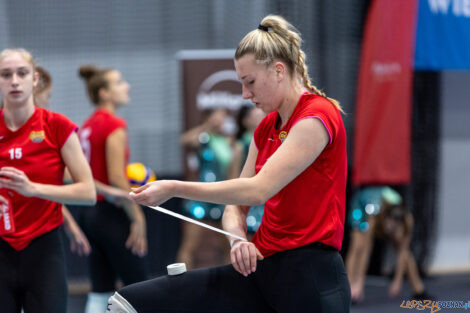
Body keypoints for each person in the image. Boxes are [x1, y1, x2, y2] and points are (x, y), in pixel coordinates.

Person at [108, 15, 350, 313]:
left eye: (250, 83)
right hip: (261, 271)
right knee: (127, 303)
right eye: (241, 83)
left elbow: (256, 190)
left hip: (310, 279)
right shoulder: (265, 129)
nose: (245, 95)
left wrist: (174, 187)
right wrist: (237, 242)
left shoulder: (317, 117)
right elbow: (236, 207)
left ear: (278, 71)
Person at [0, 48, 96, 313]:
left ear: (35, 79)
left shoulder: (57, 126)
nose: (14, 81)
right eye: (5, 75)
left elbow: (88, 192)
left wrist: (33, 189)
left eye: (22, 73)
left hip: (43, 250)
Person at [77, 65, 148, 313]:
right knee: (140, 287)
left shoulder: (87, 125)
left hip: (90, 213)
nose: (126, 86)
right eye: (119, 82)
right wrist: (137, 217)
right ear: (104, 93)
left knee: (101, 288)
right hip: (112, 213)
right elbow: (118, 180)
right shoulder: (113, 125)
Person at [33, 65, 91, 256]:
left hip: (43, 234)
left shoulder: (56, 126)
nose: (48, 102)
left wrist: (70, 224)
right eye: (47, 95)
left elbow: (44, 188)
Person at [346, 186, 429, 303]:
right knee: (357, 245)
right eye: (389, 228)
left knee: (403, 247)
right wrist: (359, 282)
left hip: (384, 206)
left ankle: (418, 288)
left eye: (394, 229)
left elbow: (403, 252)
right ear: (385, 219)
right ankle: (349, 286)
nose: (389, 233)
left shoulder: (408, 220)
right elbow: (366, 250)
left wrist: (397, 281)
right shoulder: (373, 217)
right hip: (361, 205)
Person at [178, 107, 233, 268]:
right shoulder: (202, 138)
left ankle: (232, 282)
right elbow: (184, 140)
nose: (220, 121)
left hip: (221, 197)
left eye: (223, 117)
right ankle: (180, 283)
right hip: (201, 197)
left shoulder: (227, 140)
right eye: (217, 117)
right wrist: (206, 126)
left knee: (228, 246)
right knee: (189, 245)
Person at [228, 105, 265, 234]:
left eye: (262, 116)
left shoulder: (270, 140)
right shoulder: (240, 145)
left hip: (267, 198)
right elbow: (233, 177)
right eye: (257, 117)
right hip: (250, 201)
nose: (261, 119)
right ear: (246, 121)